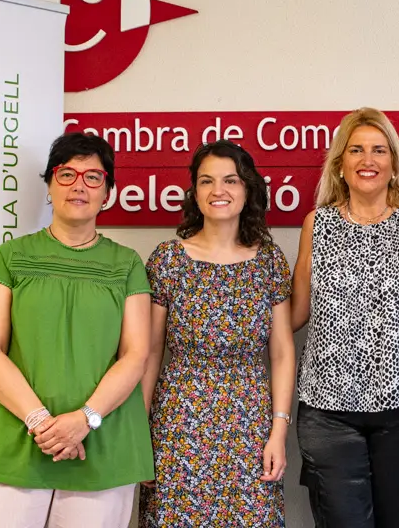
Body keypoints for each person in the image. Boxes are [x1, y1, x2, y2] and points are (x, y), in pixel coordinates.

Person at [0, 132, 153, 527]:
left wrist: (83, 420)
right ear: (49, 185)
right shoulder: (11, 257)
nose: (79, 185)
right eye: (66, 174)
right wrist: (42, 423)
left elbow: (136, 355)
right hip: (14, 441)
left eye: (93, 177)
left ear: (108, 192)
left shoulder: (127, 264)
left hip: (103, 441)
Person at [290, 107, 399, 528]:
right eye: (356, 150)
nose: (368, 160)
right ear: (340, 164)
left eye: (379, 150)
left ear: (393, 163)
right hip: (328, 413)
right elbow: (295, 313)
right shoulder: (318, 224)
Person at [139, 140, 295, 527]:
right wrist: (138, 433)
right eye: (206, 181)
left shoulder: (269, 260)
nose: (218, 191)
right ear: (194, 192)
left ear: (248, 190)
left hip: (251, 425)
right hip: (178, 422)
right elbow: (151, 351)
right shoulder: (167, 259)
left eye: (230, 180)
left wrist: (279, 430)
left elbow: (282, 353)